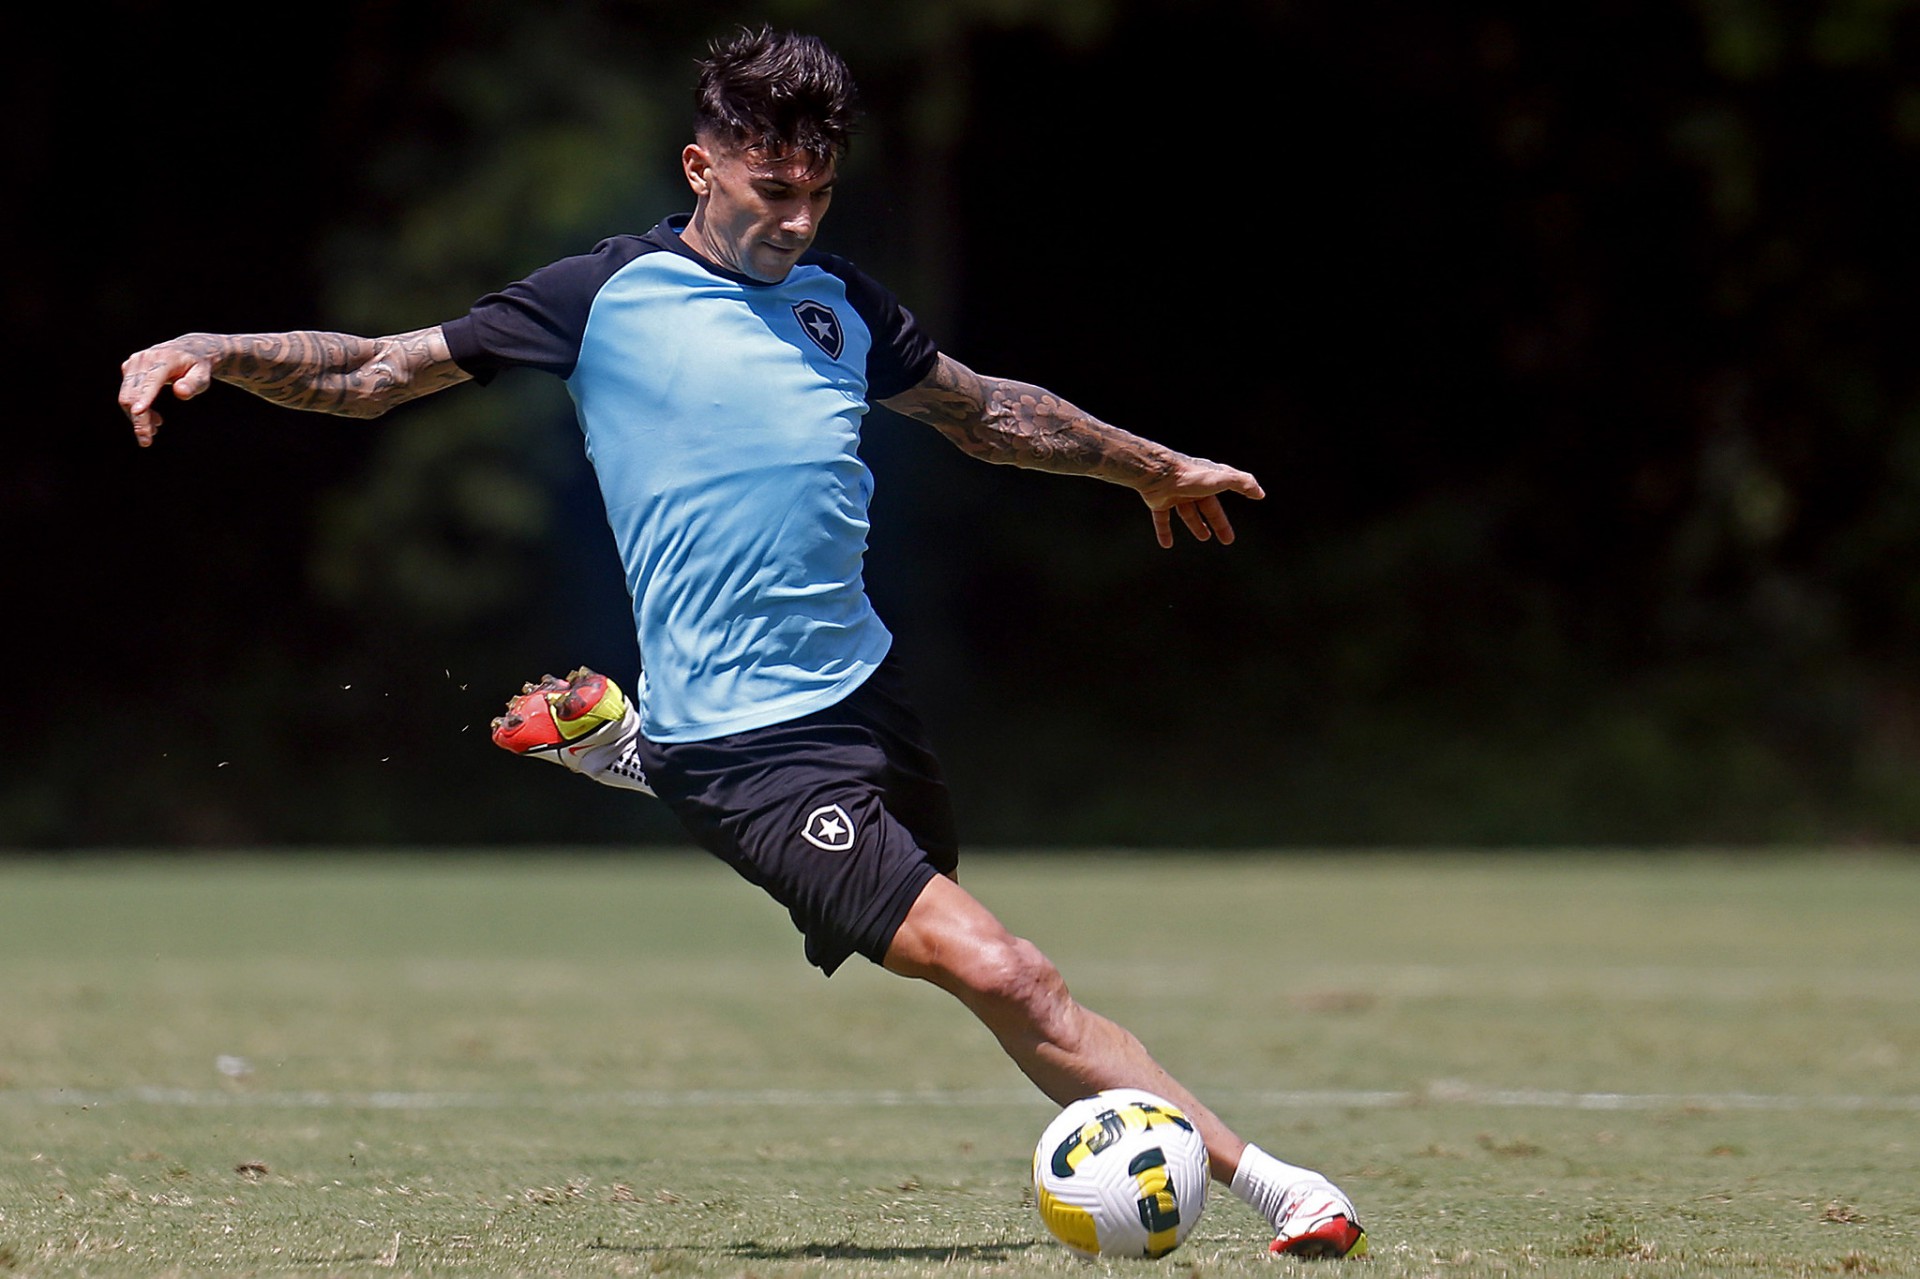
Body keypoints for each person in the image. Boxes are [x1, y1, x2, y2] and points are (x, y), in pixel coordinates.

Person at [117, 26, 1366, 1259]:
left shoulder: (841, 305)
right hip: (749, 750)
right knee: (1010, 974)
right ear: (699, 167)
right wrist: (214, 351)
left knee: (977, 945)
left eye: (819, 194)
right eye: (775, 190)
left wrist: (1151, 470)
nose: (799, 221)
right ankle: (1281, 1188)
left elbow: (987, 412)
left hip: (866, 698)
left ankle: (633, 746)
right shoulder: (598, 297)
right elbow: (382, 369)